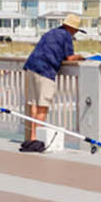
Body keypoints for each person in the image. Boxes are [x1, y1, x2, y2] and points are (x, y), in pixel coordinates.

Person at [19, 13, 84, 152]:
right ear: (72, 28)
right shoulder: (66, 36)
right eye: (76, 30)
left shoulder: (51, 32)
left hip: (31, 67)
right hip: (45, 70)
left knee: (34, 105)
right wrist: (81, 57)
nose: (75, 33)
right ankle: (38, 141)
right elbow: (70, 57)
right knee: (43, 106)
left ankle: (32, 138)